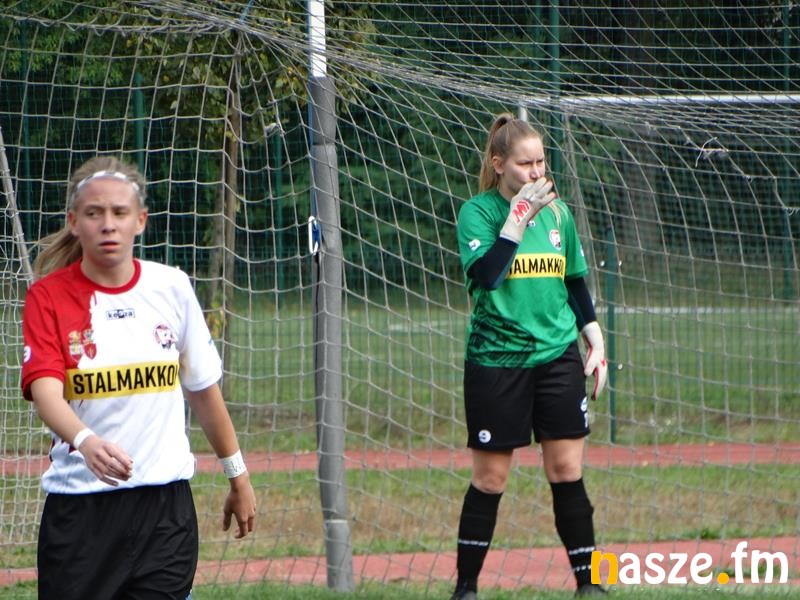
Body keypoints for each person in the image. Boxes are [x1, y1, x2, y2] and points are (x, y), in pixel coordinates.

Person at [21, 156, 257, 600]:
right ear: (74, 222)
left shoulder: (172, 288)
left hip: (165, 511)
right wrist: (86, 441)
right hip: (81, 513)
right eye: (94, 213)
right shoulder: (47, 297)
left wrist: (237, 476)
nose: (108, 224)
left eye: (119, 212)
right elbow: (45, 391)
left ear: (140, 221)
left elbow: (204, 393)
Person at [451, 114, 609, 599]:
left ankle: (590, 584)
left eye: (541, 162)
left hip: (557, 356)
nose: (536, 172)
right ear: (499, 164)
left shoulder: (559, 214)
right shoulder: (477, 213)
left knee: (566, 471)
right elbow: (489, 275)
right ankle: (466, 589)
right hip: (497, 361)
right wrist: (517, 218)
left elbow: (573, 280)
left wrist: (594, 337)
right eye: (525, 164)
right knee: (491, 478)